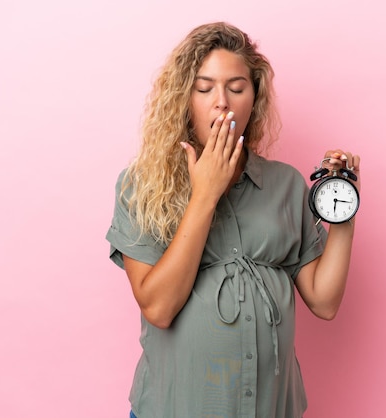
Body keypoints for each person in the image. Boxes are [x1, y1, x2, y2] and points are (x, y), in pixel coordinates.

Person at [106, 21, 361, 418]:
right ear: (184, 99)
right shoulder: (141, 185)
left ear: (254, 98)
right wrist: (205, 193)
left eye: (236, 88)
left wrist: (342, 207)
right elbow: (158, 307)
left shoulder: (285, 185)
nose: (221, 101)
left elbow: (324, 301)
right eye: (205, 88)